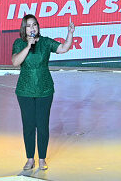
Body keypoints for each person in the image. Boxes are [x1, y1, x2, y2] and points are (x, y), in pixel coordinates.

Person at [11, 15, 75, 171]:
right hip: (25, 90)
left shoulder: (46, 42)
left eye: (35, 25)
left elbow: (63, 48)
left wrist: (70, 34)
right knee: (28, 126)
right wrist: (28, 46)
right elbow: (15, 62)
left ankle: (42, 159)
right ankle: (29, 159)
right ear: (24, 29)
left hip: (44, 89)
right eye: (29, 26)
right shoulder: (19, 43)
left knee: (42, 125)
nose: (32, 28)